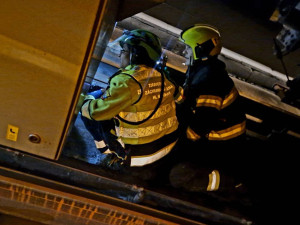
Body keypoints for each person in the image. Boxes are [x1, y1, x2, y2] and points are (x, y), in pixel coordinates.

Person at [80, 29, 184, 181]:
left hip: (139, 156)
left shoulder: (127, 81)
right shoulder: (164, 78)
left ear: (134, 55)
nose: (120, 54)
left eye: (124, 51)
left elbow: (97, 112)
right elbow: (180, 97)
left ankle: (110, 153)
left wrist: (87, 99)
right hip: (167, 144)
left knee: (91, 112)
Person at [169, 24, 248, 192]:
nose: (184, 52)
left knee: (178, 177)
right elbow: (193, 100)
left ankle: (229, 182)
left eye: (187, 48)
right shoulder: (203, 69)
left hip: (221, 146)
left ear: (200, 50)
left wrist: (180, 144)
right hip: (216, 136)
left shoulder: (211, 79)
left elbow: (203, 122)